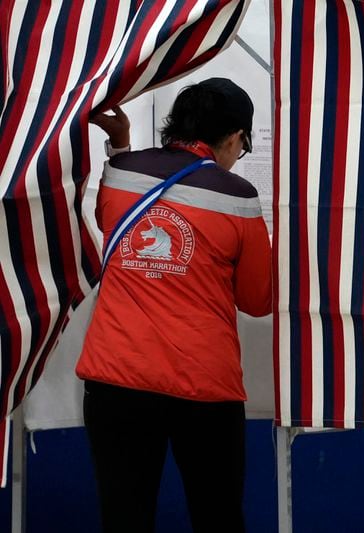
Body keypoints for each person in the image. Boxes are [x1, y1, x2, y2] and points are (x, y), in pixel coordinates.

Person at [76, 78, 272, 533]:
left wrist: (121, 146)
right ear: (233, 138)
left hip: (116, 381)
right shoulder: (238, 199)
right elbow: (257, 301)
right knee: (217, 516)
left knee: (125, 519)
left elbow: (112, 219)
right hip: (202, 388)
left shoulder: (120, 175)